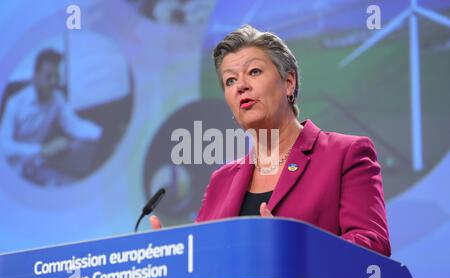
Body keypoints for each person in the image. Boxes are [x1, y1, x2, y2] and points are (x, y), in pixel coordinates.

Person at [149, 25, 390, 257]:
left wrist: (294, 247)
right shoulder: (220, 181)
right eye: (230, 80)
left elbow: (373, 245)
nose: (241, 86)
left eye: (254, 72)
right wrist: (176, 259)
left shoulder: (346, 154)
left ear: (289, 82)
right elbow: (206, 261)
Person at [0, 49, 102, 185]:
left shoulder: (56, 97)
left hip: (39, 166)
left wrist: (101, 134)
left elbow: (74, 125)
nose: (54, 82)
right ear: (35, 77)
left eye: (56, 76)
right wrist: (42, 150)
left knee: (73, 185)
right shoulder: (15, 102)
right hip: (13, 172)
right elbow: (4, 146)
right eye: (48, 76)